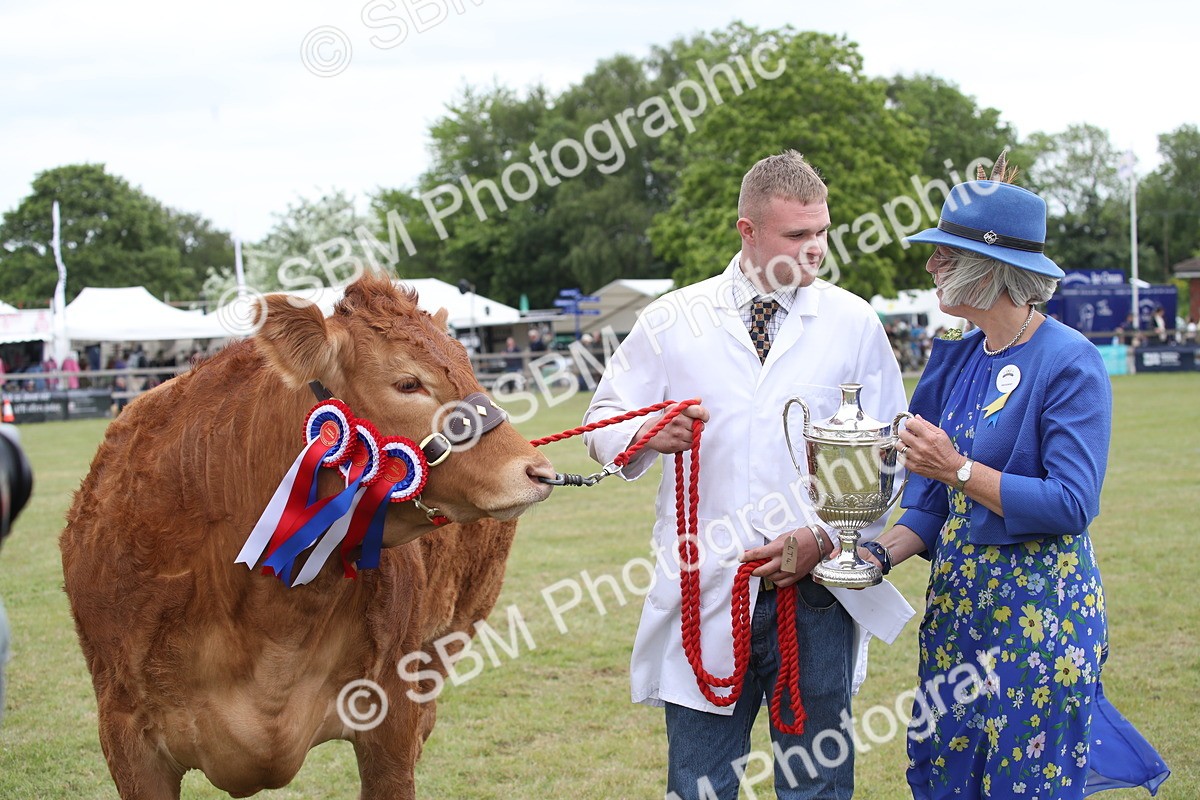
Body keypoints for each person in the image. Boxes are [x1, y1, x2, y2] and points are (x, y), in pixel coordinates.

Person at [584, 150, 912, 800]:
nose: (815, 248)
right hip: (706, 585)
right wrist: (645, 433)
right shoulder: (673, 320)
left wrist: (825, 537)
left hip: (815, 595)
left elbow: (889, 454)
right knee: (699, 785)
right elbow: (602, 421)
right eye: (797, 234)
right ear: (748, 231)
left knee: (816, 787)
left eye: (822, 231)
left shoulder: (853, 323)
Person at [854, 155, 1169, 799]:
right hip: (958, 614)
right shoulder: (954, 357)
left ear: (988, 268)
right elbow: (929, 505)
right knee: (944, 779)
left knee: (1026, 784)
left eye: (944, 254)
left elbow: (1072, 503)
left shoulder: (1070, 361)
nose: (930, 265)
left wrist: (960, 469)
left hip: (1039, 620)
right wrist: (873, 556)